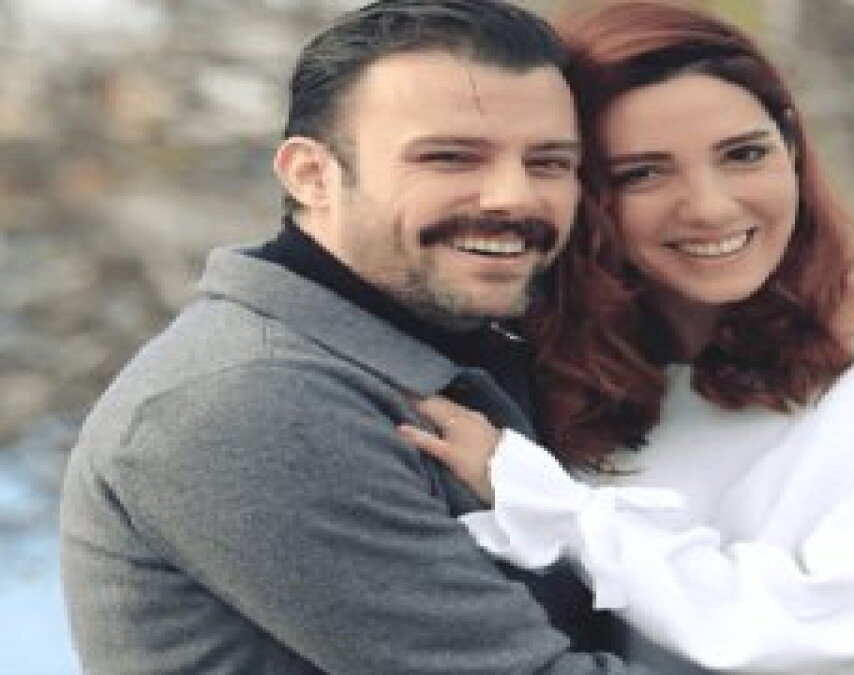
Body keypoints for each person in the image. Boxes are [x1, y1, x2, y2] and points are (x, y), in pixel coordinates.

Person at [400, 2, 854, 672]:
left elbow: (845, 633)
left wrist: (551, 507)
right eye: (643, 173)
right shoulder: (556, 376)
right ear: (578, 194)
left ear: (792, 150)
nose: (711, 207)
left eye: (744, 154)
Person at [58, 1, 654, 673]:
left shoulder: (456, 347)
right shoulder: (252, 401)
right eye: (451, 158)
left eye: (548, 163)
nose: (512, 197)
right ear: (311, 176)